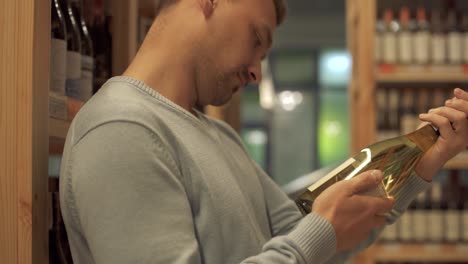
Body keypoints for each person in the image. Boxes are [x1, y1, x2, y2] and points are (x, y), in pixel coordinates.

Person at [59, 0, 468, 263]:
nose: (256, 72)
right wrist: (316, 236)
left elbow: (309, 234)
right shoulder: (122, 129)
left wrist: (422, 163)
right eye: (257, 39)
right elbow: (310, 240)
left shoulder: (218, 137)